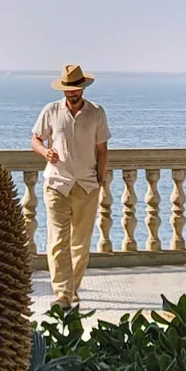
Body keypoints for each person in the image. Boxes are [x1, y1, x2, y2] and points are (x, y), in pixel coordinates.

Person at [31, 63, 109, 309]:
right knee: (57, 240)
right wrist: (45, 152)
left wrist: (100, 177)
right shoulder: (51, 111)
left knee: (80, 241)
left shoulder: (96, 113)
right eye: (67, 89)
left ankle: (73, 288)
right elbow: (35, 139)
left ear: (82, 88)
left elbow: (102, 149)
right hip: (56, 183)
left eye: (75, 89)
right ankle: (62, 294)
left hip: (86, 185)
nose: (71, 93)